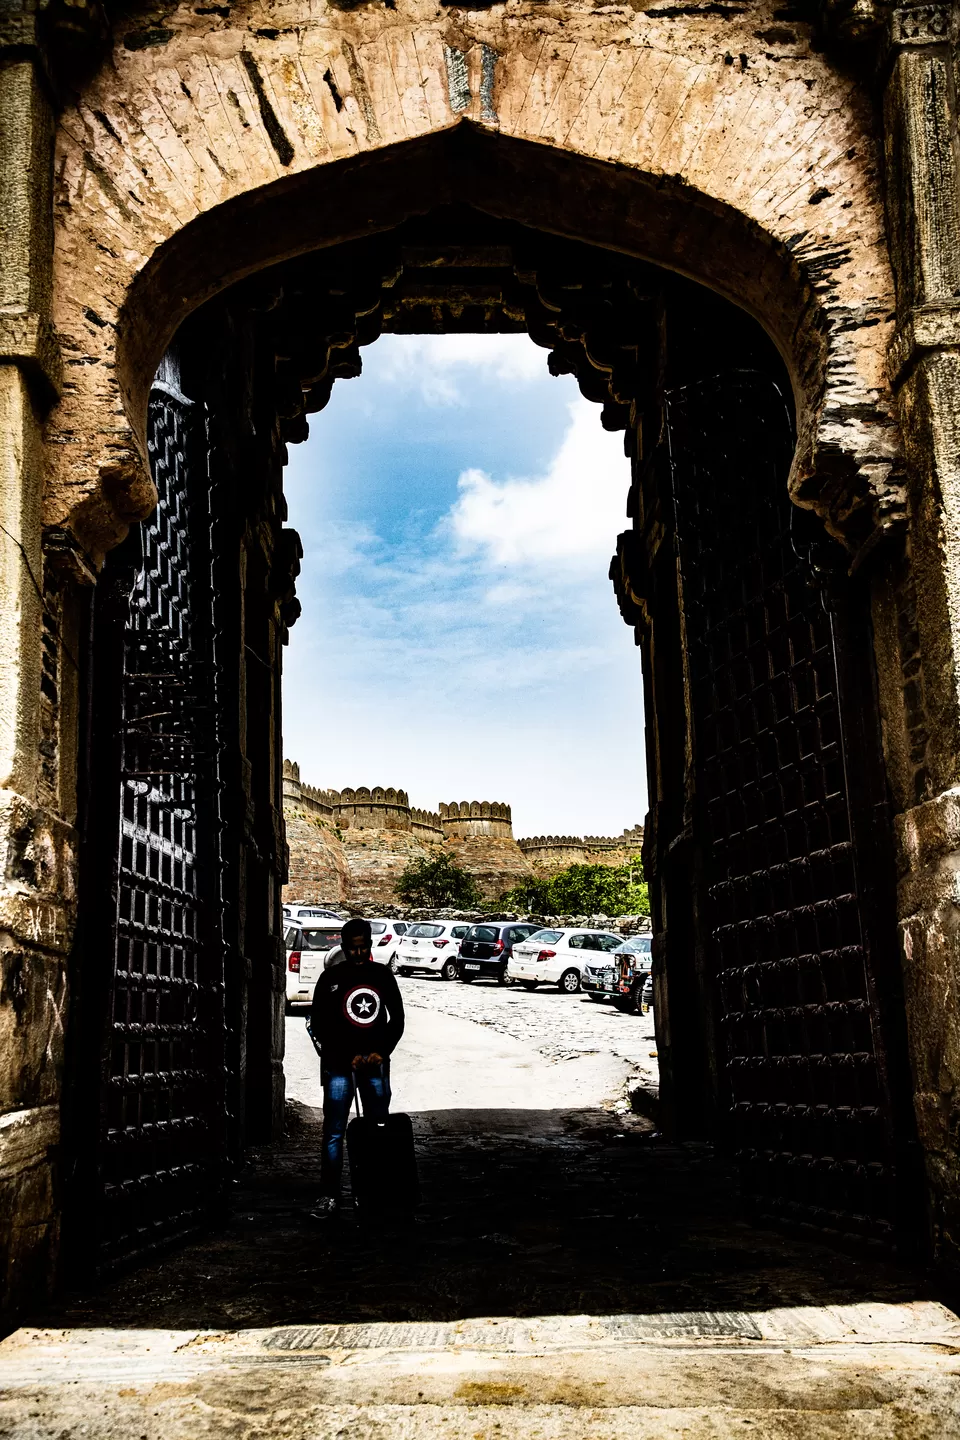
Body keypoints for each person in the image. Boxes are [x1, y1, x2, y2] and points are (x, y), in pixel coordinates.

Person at [306, 916, 405, 1220]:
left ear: (370, 945)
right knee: (334, 1131)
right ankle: (330, 1195)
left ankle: (373, 1194)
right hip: (338, 1067)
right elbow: (317, 1025)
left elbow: (397, 1020)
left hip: (374, 1066)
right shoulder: (330, 979)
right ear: (344, 947)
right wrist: (342, 1055)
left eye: (363, 948)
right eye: (353, 949)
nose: (358, 954)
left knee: (378, 1128)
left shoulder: (382, 976)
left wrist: (381, 1052)